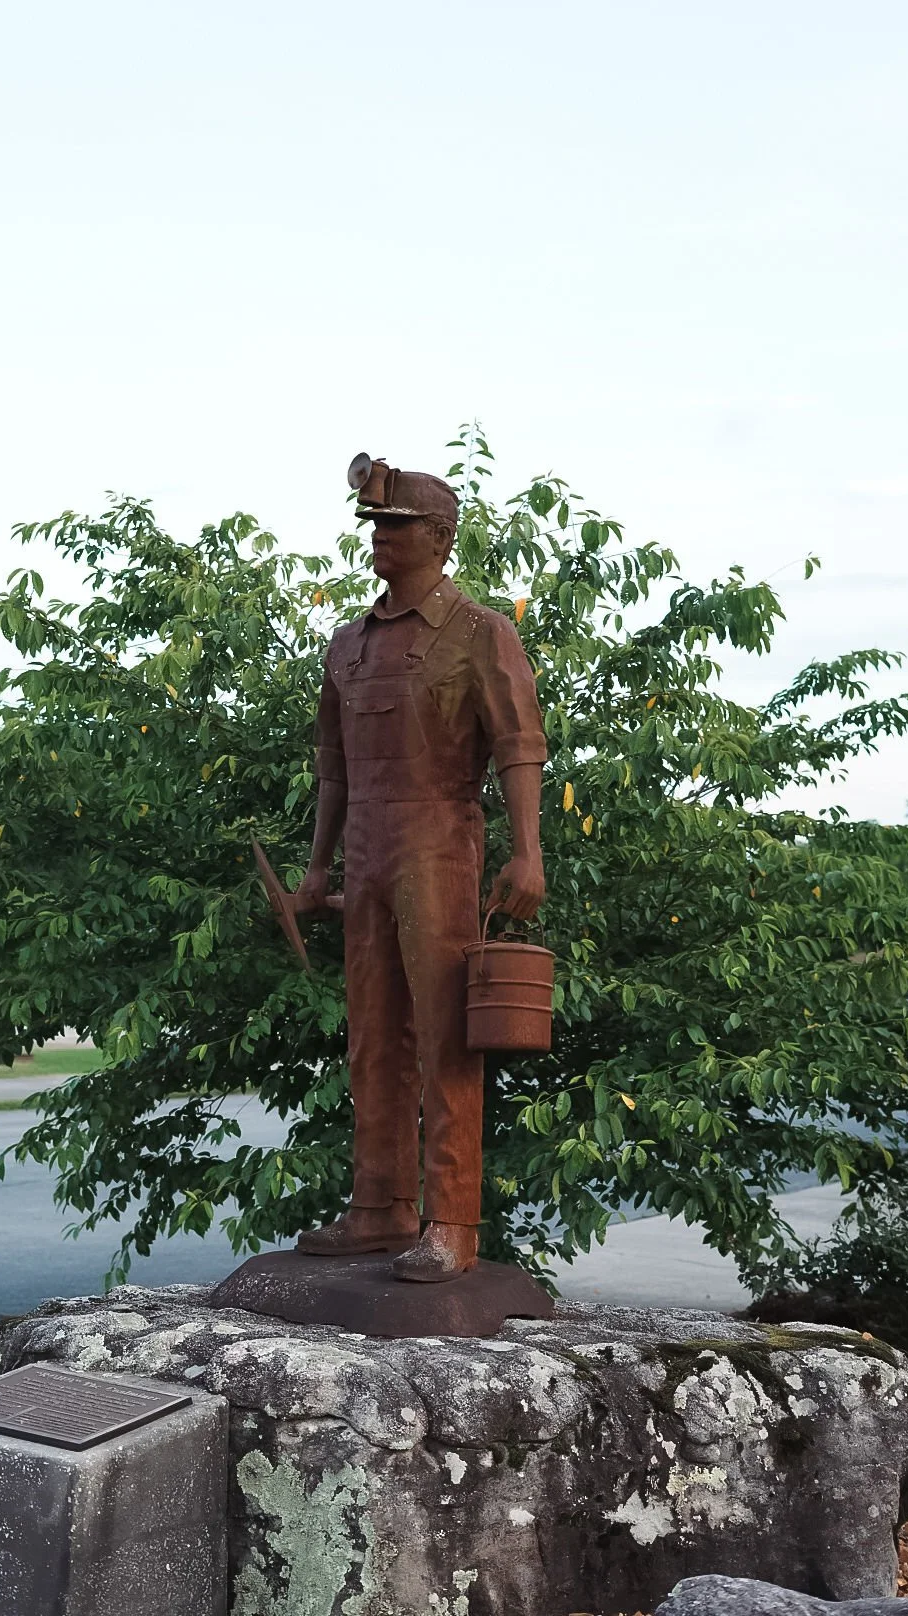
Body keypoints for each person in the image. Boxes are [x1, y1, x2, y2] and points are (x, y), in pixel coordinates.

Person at [295, 456, 547, 1282]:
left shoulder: (480, 632)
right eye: (374, 525)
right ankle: (379, 1207)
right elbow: (333, 767)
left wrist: (527, 851)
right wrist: (317, 868)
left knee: (445, 1036)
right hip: (365, 846)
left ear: (439, 538)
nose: (379, 537)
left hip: (439, 839)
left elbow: (518, 746)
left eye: (395, 525)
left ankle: (451, 1222)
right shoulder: (347, 645)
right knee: (372, 1036)